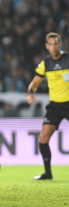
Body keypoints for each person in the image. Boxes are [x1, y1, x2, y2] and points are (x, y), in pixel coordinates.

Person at [27, 32, 69, 180]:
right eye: (50, 44)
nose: (53, 47)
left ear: (60, 44)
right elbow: (35, 82)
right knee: (43, 138)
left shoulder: (68, 59)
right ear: (46, 46)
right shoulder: (46, 63)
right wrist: (31, 93)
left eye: (56, 43)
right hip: (55, 106)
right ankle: (47, 173)